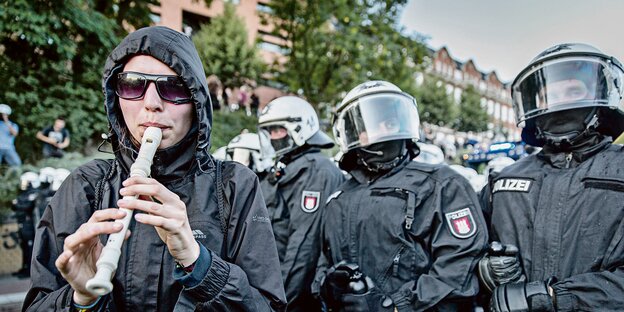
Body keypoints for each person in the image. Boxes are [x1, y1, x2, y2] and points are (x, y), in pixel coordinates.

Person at [24, 26, 286, 311]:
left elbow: (267, 306)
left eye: (173, 87)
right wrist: (82, 301)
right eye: (132, 85)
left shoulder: (235, 185)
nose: (151, 104)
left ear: (196, 100)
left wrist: (199, 263)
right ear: (116, 97)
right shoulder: (85, 185)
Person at [313, 81, 488, 311]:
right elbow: (324, 260)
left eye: (389, 123)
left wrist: (395, 306)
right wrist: (328, 286)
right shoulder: (338, 197)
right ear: (353, 134)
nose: (380, 132)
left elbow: (460, 264)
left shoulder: (441, 185)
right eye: (369, 126)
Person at [479, 43, 624, 311]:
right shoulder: (502, 180)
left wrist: (555, 297)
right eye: (551, 95)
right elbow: (457, 252)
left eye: (574, 91)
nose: (562, 102)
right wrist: (482, 269)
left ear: (600, 95)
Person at [257, 96, 345, 311]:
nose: (272, 137)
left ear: (299, 129)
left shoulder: (318, 171)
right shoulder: (283, 169)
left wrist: (279, 303)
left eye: (278, 130)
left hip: (294, 295)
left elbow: (303, 247)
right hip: (269, 283)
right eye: (269, 131)